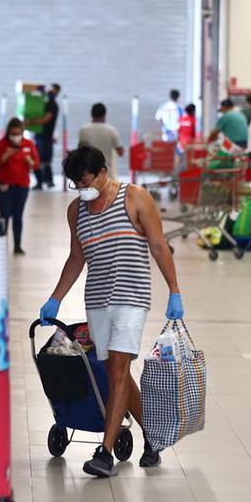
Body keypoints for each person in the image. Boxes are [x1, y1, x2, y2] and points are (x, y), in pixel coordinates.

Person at [40, 146, 183, 478]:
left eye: (85, 181)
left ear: (103, 173)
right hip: (97, 299)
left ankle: (104, 454)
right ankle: (153, 436)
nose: (81, 189)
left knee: (118, 370)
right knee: (115, 373)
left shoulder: (135, 198)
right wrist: (55, 298)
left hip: (132, 296)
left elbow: (158, 245)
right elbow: (77, 257)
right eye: (76, 184)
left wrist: (174, 290)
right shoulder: (77, 211)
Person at [0, 118, 39, 255]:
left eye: (18, 133)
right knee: (4, 215)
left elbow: (36, 165)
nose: (15, 136)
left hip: (21, 185)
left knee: (18, 216)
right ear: (8, 133)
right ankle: (1, 246)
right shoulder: (1, 144)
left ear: (22, 133)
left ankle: (17, 245)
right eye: (13, 134)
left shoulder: (28, 144)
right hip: (4, 185)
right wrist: (6, 155)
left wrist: (30, 161)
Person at [78, 103, 125, 180]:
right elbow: (120, 152)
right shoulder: (112, 130)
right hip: (107, 174)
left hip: (89, 175)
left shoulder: (83, 130)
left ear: (91, 114)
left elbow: (81, 152)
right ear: (105, 115)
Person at [27, 83, 60, 190]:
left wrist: (30, 121)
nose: (50, 91)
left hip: (46, 136)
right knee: (38, 159)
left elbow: (46, 119)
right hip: (39, 135)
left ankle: (48, 181)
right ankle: (41, 181)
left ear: (57, 92)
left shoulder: (52, 104)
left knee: (45, 160)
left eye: (53, 90)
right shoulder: (43, 102)